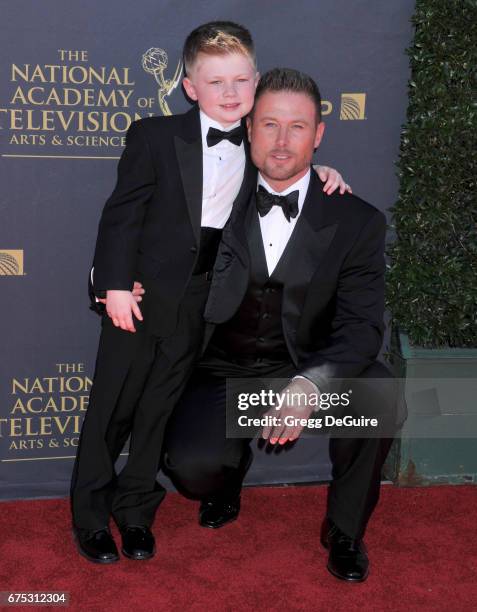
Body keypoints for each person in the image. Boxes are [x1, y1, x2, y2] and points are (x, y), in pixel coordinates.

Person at [71, 22, 349, 564]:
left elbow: (288, 170)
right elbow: (121, 217)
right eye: (215, 81)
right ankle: (89, 517)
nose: (229, 93)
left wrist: (324, 172)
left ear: (255, 82)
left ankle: (135, 512)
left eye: (240, 81)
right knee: (112, 409)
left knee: (157, 410)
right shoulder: (154, 135)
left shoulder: (260, 143)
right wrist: (111, 285)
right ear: (189, 85)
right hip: (140, 296)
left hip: (203, 304)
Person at [162, 68, 402, 583]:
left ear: (318, 135)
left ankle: (344, 530)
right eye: (269, 124)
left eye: (298, 127)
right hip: (224, 371)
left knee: (380, 393)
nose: (281, 141)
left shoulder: (357, 220)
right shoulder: (215, 198)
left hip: (305, 365)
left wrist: (311, 384)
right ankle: (227, 479)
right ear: (248, 129)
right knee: (192, 466)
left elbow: (362, 325)